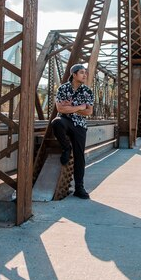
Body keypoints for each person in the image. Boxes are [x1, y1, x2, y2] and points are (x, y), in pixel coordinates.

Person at [51, 64, 94, 199]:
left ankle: (79, 188)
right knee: (56, 122)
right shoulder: (63, 88)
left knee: (79, 156)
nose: (85, 75)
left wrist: (71, 107)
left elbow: (88, 112)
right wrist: (80, 106)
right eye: (82, 73)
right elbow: (60, 109)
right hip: (65, 120)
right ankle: (66, 147)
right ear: (74, 74)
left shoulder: (87, 91)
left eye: (85, 73)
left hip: (80, 125)